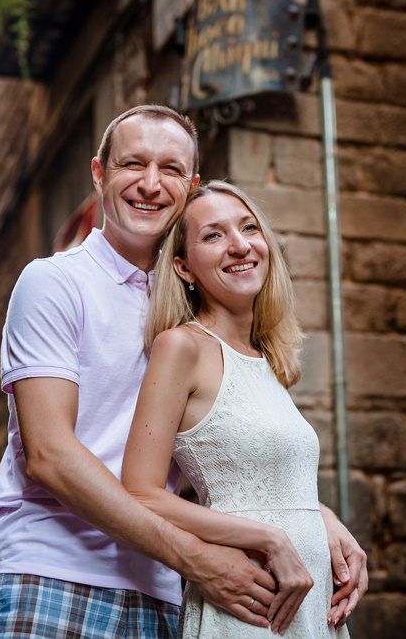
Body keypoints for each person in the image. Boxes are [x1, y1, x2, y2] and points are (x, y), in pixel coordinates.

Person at [0, 106, 366, 638]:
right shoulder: (54, 283)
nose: (150, 184)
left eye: (170, 170)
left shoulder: (196, 314)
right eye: (132, 164)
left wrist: (307, 512)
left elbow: (215, 452)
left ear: (191, 186)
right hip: (57, 574)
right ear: (99, 174)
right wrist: (196, 558)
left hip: (163, 590)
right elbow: (48, 456)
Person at [122, 180, 363, 637]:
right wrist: (267, 537)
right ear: (184, 268)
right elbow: (140, 491)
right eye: (213, 236)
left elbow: (272, 482)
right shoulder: (182, 347)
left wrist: (322, 519)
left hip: (311, 604)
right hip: (251, 605)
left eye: (248, 228)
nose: (239, 245)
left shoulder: (265, 359)